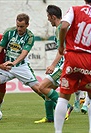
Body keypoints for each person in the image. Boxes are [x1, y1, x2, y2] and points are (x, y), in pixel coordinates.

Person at [0, 13, 54, 117]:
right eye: (18, 26)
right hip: (3, 66)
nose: (19, 29)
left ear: (27, 25)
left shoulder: (30, 36)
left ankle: (58, 105)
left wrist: (13, 63)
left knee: (39, 89)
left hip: (19, 67)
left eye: (22, 26)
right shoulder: (9, 32)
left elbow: (24, 53)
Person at [54, 0, 91, 132]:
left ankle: (58, 131)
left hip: (73, 56)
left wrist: (61, 45)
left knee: (63, 96)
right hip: (89, 58)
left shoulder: (75, 9)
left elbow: (64, 26)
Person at [34, 5, 73, 124]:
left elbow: (62, 51)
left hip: (65, 65)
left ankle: (67, 107)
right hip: (64, 64)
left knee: (42, 87)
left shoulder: (61, 28)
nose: (48, 19)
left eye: (48, 17)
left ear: (53, 16)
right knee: (48, 91)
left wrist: (52, 65)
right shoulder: (62, 28)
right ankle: (50, 117)